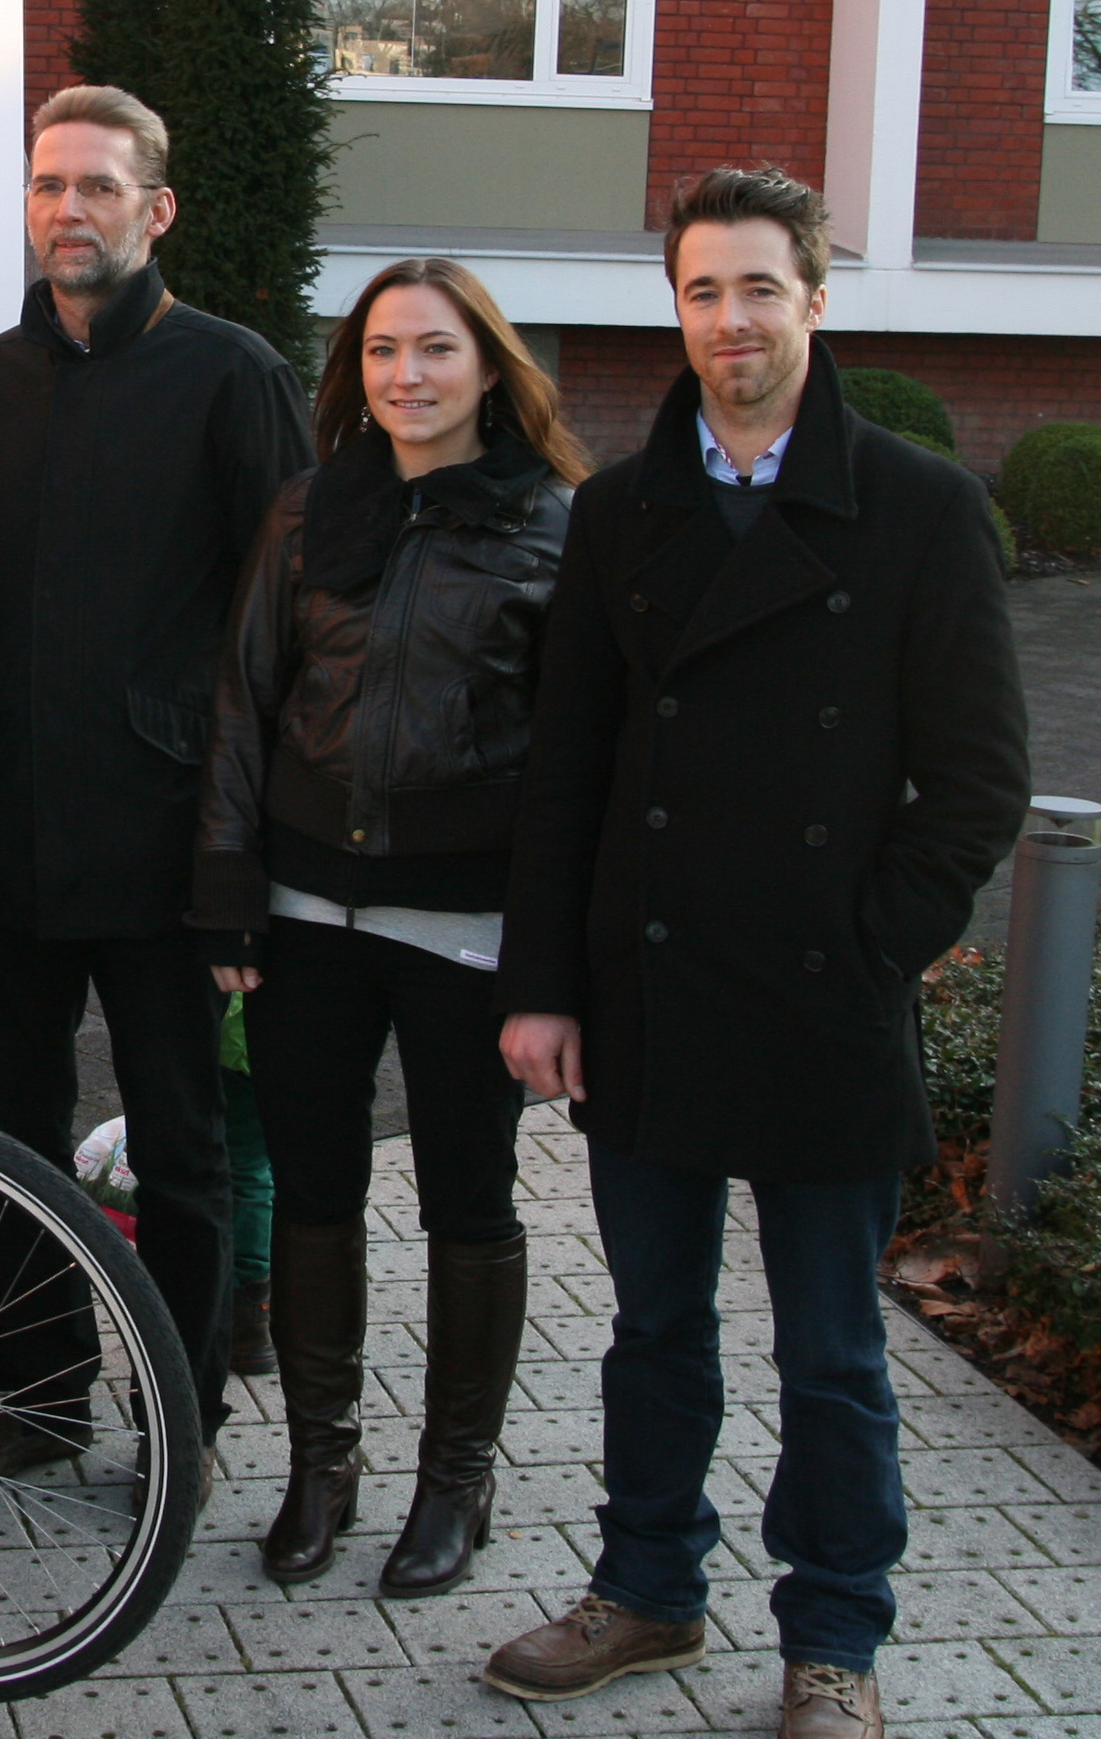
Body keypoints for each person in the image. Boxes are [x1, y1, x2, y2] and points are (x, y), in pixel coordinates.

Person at [482, 169, 1029, 1739]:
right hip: (648, 992)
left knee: (835, 1353)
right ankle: (648, 1588)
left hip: (821, 998)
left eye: (760, 289)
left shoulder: (921, 506)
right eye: (704, 292)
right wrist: (543, 987)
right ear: (678, 309)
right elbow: (568, 771)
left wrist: (871, 948)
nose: (732, 320)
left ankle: (835, 1638)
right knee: (654, 1328)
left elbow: (978, 780)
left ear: (817, 300)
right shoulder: (618, 512)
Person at [191, 258, 585, 1595]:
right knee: (315, 1189)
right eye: (379, 351)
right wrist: (227, 886)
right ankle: (322, 1468)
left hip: (466, 924)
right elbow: (245, 699)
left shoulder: (553, 523)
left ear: (489, 368)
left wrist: (552, 953)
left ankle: (455, 1484)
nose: (405, 375)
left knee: (469, 1198)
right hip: (307, 910)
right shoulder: (309, 509)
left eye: (433, 349)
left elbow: (574, 761)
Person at [0, 84, 310, 1465]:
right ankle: (42, 1397)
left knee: (182, 1149)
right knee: (12, 1135)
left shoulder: (232, 375)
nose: (68, 210)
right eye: (49, 185)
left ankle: (183, 1417)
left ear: (156, 211)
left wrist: (246, 857)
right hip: (11, 848)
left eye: (97, 186)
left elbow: (288, 629)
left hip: (169, 849)